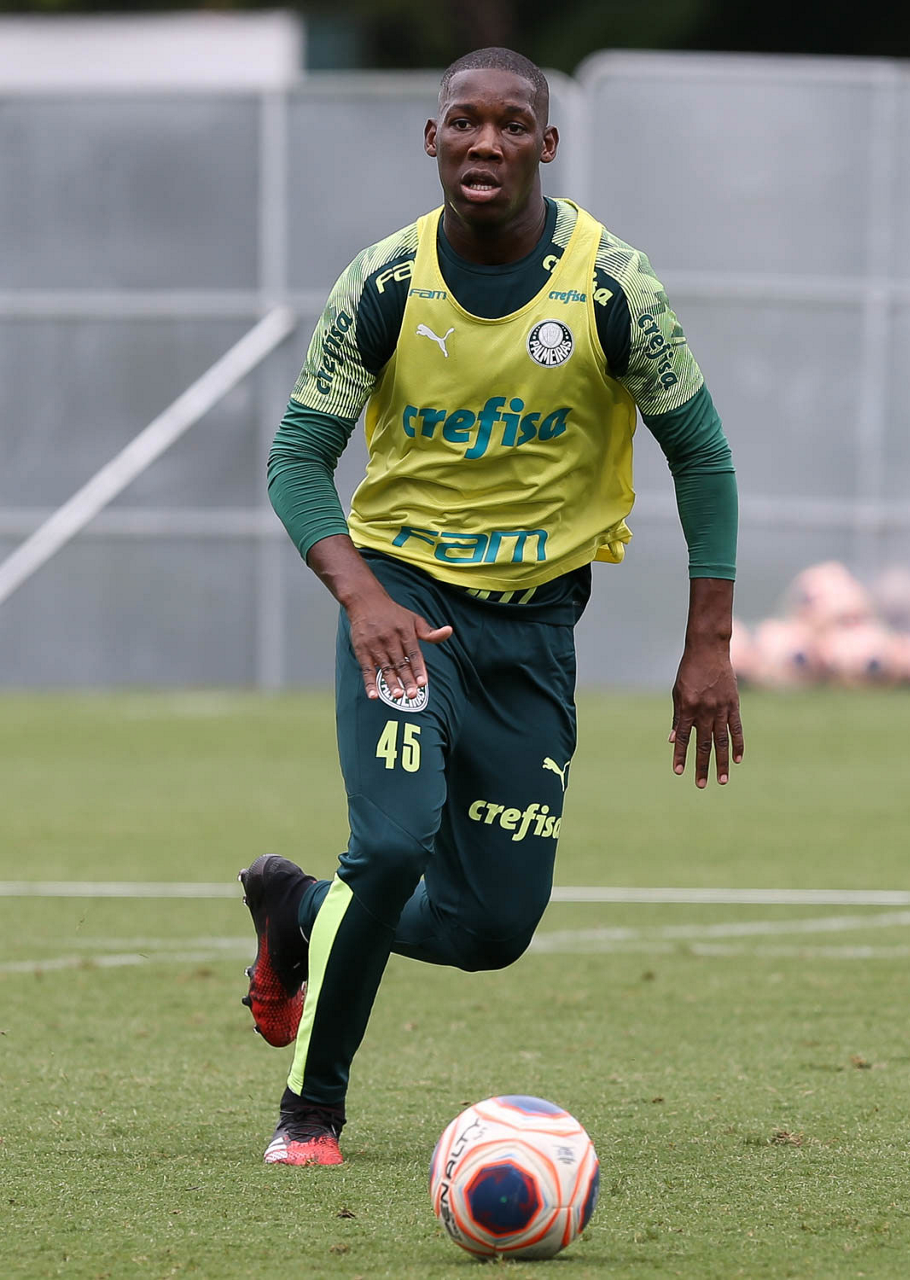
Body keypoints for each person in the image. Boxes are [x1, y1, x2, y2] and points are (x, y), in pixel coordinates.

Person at [240, 46, 743, 1167]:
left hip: (533, 630)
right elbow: (296, 456)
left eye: (511, 124)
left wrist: (708, 645)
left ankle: (297, 910)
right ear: (432, 139)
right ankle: (310, 1112)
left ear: (545, 145)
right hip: (404, 606)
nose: (484, 141)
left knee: (488, 929)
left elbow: (702, 457)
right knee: (392, 845)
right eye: (463, 121)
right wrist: (361, 594)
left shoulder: (614, 288)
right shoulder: (383, 283)